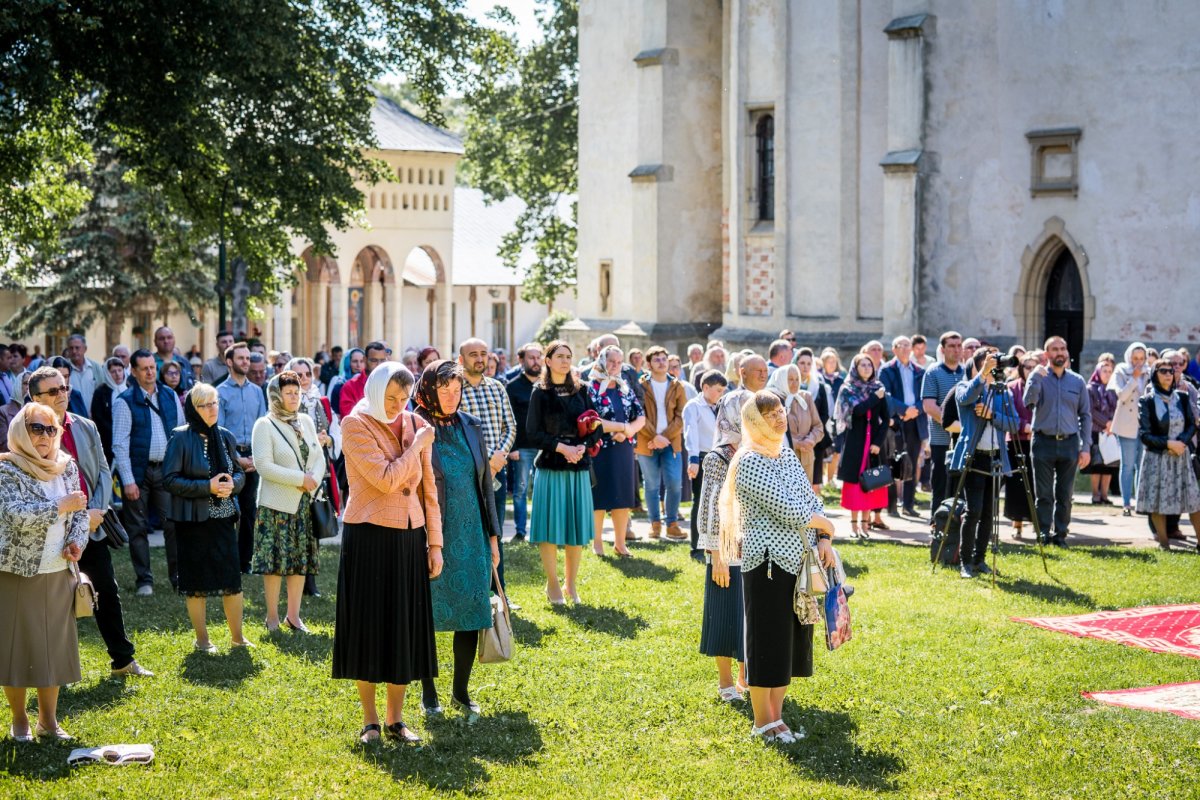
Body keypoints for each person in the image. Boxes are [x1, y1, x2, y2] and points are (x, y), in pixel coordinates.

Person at [332, 362, 440, 744]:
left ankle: (397, 720)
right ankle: (370, 721)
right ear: (375, 391)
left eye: (403, 398)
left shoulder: (413, 422)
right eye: (390, 397)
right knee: (369, 626)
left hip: (411, 536)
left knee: (403, 627)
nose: (397, 405)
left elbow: (429, 488)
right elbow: (384, 480)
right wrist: (416, 446)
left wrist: (435, 543)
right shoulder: (354, 424)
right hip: (369, 535)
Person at [718, 391, 835, 744]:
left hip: (799, 559)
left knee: (790, 642)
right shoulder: (750, 460)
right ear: (754, 420)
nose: (779, 417)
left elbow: (810, 497)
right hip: (767, 563)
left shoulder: (784, 452)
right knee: (767, 640)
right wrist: (825, 525)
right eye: (769, 413)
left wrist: (824, 536)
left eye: (781, 410)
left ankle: (778, 718)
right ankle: (761, 721)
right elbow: (788, 509)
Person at [32, 367, 151, 677]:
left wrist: (94, 515)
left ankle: (123, 661)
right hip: (54, 532)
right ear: (35, 398)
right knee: (53, 605)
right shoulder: (28, 434)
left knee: (105, 593)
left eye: (63, 388)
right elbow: (38, 490)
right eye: (52, 391)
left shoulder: (84, 426)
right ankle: (51, 672)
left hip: (94, 528)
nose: (61, 395)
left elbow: (101, 471)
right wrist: (81, 519)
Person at [411, 360, 502, 719]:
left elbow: (485, 488)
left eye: (457, 389)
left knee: (470, 611)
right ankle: (428, 693)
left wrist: (493, 538)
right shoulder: (415, 425)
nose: (451, 396)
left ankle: (460, 692)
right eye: (444, 389)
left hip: (472, 534)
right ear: (430, 389)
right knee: (427, 615)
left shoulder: (471, 426)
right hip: (431, 534)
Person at [0, 402, 90, 741]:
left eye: (51, 429)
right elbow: (12, 513)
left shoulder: (66, 466)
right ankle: (20, 719)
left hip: (58, 570)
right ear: (21, 431)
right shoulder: (7, 469)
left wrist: (76, 542)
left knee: (53, 649)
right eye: (37, 428)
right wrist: (58, 506)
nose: (44, 436)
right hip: (17, 572)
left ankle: (49, 722)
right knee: (16, 647)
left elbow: (80, 510)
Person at [525, 341, 624, 604]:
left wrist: (583, 446)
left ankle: (571, 585)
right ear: (547, 361)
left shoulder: (581, 390)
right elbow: (532, 433)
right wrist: (561, 448)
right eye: (559, 356)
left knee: (575, 529)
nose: (565, 361)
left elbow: (596, 426)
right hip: (551, 466)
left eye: (569, 356)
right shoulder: (540, 392)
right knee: (549, 529)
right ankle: (553, 584)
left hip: (578, 467)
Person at [163, 384, 250, 652]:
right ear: (193, 408)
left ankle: (238, 637)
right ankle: (202, 640)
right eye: (205, 405)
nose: (212, 409)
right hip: (193, 522)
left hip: (223, 518)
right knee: (196, 585)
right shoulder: (180, 438)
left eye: (215, 403)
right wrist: (207, 487)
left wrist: (231, 485)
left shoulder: (224, 436)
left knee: (231, 581)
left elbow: (239, 473)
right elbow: (169, 479)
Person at [251, 372, 326, 632]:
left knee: (300, 561)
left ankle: (293, 617)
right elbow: (263, 466)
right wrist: (300, 478)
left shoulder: (305, 420)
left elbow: (319, 456)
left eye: (297, 392)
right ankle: (272, 617)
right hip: (276, 506)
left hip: (304, 503)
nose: (295, 397)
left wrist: (312, 479)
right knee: (273, 564)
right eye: (289, 393)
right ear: (276, 395)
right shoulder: (264, 424)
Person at [114, 348, 186, 595]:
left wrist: (179, 470)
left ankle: (178, 578)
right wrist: (128, 480)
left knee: (173, 524)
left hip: (166, 471)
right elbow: (120, 444)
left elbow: (180, 434)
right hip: (138, 472)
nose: (150, 372)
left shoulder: (169, 395)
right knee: (138, 528)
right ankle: (144, 581)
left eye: (152, 367)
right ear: (133, 371)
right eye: (144, 368)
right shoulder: (124, 401)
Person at [948, 350, 1020, 577]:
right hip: (974, 456)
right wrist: (981, 375)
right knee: (974, 510)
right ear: (976, 367)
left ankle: (981, 560)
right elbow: (964, 399)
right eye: (985, 365)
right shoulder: (965, 386)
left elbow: (1014, 423)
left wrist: (992, 415)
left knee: (989, 512)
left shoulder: (1001, 392)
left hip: (996, 457)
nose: (991, 368)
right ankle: (965, 562)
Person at [695, 381, 745, 702]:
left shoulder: (758, 453)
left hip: (754, 549)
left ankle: (747, 678)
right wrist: (717, 556)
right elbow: (709, 510)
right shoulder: (718, 457)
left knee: (747, 616)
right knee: (724, 616)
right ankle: (726, 684)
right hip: (726, 552)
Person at [457, 339, 516, 586]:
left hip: (496, 472)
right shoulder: (453, 389)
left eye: (483, 354)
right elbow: (458, 431)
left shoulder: (497, 387)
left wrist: (497, 460)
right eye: (473, 354)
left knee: (496, 533)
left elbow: (510, 426)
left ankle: (498, 592)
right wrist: (490, 457)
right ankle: (471, 590)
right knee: (468, 533)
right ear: (461, 360)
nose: (479, 359)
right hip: (467, 473)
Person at [1023, 336, 1092, 547]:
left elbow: (1086, 415)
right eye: (1055, 349)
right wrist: (1035, 376)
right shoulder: (1039, 377)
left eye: (1063, 348)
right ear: (1047, 355)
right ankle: (1043, 534)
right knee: (1044, 494)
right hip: (1043, 442)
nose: (1060, 352)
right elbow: (1028, 401)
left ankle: (1060, 535)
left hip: (1070, 443)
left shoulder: (1077, 381)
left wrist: (1086, 447)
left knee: (1065, 494)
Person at [586, 346, 646, 557]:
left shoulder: (624, 386)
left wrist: (628, 430)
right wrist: (621, 427)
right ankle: (597, 543)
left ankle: (620, 543)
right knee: (600, 497)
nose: (615, 366)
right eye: (611, 361)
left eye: (619, 362)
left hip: (623, 449)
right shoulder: (591, 387)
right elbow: (592, 421)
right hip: (600, 449)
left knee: (622, 498)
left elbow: (640, 415)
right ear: (601, 360)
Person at [1136, 361, 1200, 549]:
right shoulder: (1146, 400)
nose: (1168, 374)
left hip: (1181, 456)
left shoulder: (1182, 397)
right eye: (1162, 371)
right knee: (1158, 501)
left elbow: (1191, 424)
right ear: (1155, 374)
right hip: (1158, 458)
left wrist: (1181, 442)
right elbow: (1145, 434)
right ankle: (1164, 543)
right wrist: (1167, 444)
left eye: (1171, 371)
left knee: (1193, 500)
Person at [217, 342, 268, 573]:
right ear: (229, 362)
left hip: (253, 456)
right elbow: (219, 431)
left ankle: (244, 561)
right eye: (241, 358)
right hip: (230, 455)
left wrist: (256, 457)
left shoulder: (257, 391)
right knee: (227, 510)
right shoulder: (220, 393)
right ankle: (225, 558)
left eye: (248, 358)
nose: (246, 362)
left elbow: (262, 426)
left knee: (249, 511)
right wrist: (236, 459)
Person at [635, 346, 688, 540]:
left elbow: (682, 415)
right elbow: (638, 413)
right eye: (656, 359)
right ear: (648, 364)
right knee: (651, 485)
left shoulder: (677, 386)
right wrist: (654, 437)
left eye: (664, 359)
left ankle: (672, 523)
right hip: (646, 442)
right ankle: (655, 523)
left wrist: (664, 437)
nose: (661, 362)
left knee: (674, 483)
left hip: (671, 442)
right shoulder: (641, 385)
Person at [836, 353, 889, 537]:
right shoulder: (848, 389)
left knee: (871, 482)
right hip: (855, 443)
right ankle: (853, 527)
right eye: (862, 365)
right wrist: (875, 397)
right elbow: (857, 411)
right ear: (855, 368)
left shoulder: (878, 387)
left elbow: (886, 418)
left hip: (872, 445)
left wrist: (878, 443)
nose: (867, 368)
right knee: (854, 484)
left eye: (869, 365)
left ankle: (865, 526)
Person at [879, 336, 927, 518]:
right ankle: (892, 507)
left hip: (915, 421)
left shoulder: (919, 371)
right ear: (894, 349)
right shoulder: (886, 370)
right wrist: (904, 410)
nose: (907, 348)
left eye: (909, 345)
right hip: (896, 422)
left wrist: (916, 410)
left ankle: (908, 504)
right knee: (893, 462)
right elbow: (886, 395)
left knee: (912, 462)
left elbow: (927, 395)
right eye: (902, 345)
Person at [921, 331, 965, 524]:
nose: (956, 350)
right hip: (941, 440)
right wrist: (952, 425)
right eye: (952, 346)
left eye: (959, 345)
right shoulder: (933, 372)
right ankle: (936, 524)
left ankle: (959, 526)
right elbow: (929, 406)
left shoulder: (966, 373)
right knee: (940, 484)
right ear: (942, 349)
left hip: (964, 442)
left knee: (961, 486)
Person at [684, 370, 727, 559]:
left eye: (723, 390)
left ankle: (716, 543)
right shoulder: (694, 406)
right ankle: (697, 547)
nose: (721, 394)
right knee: (701, 502)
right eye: (718, 390)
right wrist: (693, 460)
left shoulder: (720, 406)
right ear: (705, 387)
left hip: (720, 457)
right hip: (701, 457)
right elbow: (690, 433)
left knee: (719, 502)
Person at [506, 343, 543, 542]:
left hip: (545, 447)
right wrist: (512, 448)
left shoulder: (546, 385)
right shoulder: (512, 387)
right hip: (522, 448)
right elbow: (508, 420)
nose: (536, 362)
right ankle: (521, 531)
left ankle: (539, 531)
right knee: (520, 490)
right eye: (531, 357)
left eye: (538, 357)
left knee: (542, 490)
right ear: (521, 361)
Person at [1109, 342, 1150, 516]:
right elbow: (1122, 396)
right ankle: (1126, 503)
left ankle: (1140, 501)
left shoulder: (1150, 372)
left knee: (1143, 465)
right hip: (1126, 424)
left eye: (1141, 358)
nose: (1138, 362)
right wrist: (1134, 378)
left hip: (1145, 425)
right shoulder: (1121, 370)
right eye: (1135, 358)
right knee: (1127, 465)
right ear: (1129, 358)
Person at [769, 363, 824, 488]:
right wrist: (796, 443)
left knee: (805, 500)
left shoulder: (805, 397)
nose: (794, 383)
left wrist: (811, 440)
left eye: (797, 379)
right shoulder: (773, 400)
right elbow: (772, 431)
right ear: (781, 379)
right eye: (790, 379)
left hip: (806, 457)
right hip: (784, 459)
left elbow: (818, 426)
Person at [1004, 355, 1037, 537]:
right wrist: (1024, 425)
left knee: (1035, 485)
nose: (1030, 370)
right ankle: (1017, 524)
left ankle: (1037, 523)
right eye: (1027, 367)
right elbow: (1008, 413)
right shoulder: (1012, 388)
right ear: (1021, 368)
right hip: (1016, 442)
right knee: (1016, 485)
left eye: (1034, 367)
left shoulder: (1042, 387)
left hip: (1037, 441)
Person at [1085, 355, 1119, 504]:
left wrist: (1113, 424)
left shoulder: (1114, 389)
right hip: (1096, 430)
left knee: (1109, 464)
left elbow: (1118, 407)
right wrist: (1106, 423)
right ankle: (1095, 495)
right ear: (1098, 372)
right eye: (1104, 370)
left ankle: (1105, 495)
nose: (1107, 373)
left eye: (1110, 371)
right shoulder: (1090, 388)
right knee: (1097, 465)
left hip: (1111, 431)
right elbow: (1091, 410)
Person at [339, 341, 390, 418]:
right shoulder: (350, 387)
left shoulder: (392, 384)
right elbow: (349, 418)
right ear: (365, 360)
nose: (379, 365)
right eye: (374, 360)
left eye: (382, 360)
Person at [64, 334, 105, 411]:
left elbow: (103, 393)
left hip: (94, 418)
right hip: (73, 419)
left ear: (85, 349)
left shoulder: (95, 368)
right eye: (71, 348)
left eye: (77, 348)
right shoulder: (64, 369)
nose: (74, 351)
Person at [153, 326, 194, 392]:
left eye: (169, 337)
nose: (166, 341)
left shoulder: (184, 363)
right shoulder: (149, 362)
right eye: (161, 338)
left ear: (174, 339)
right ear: (155, 342)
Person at [0, 373, 30, 451]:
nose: (28, 388)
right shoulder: (3, 412)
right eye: (25, 383)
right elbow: (5, 444)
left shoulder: (37, 411)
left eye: (31, 384)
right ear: (18, 385)